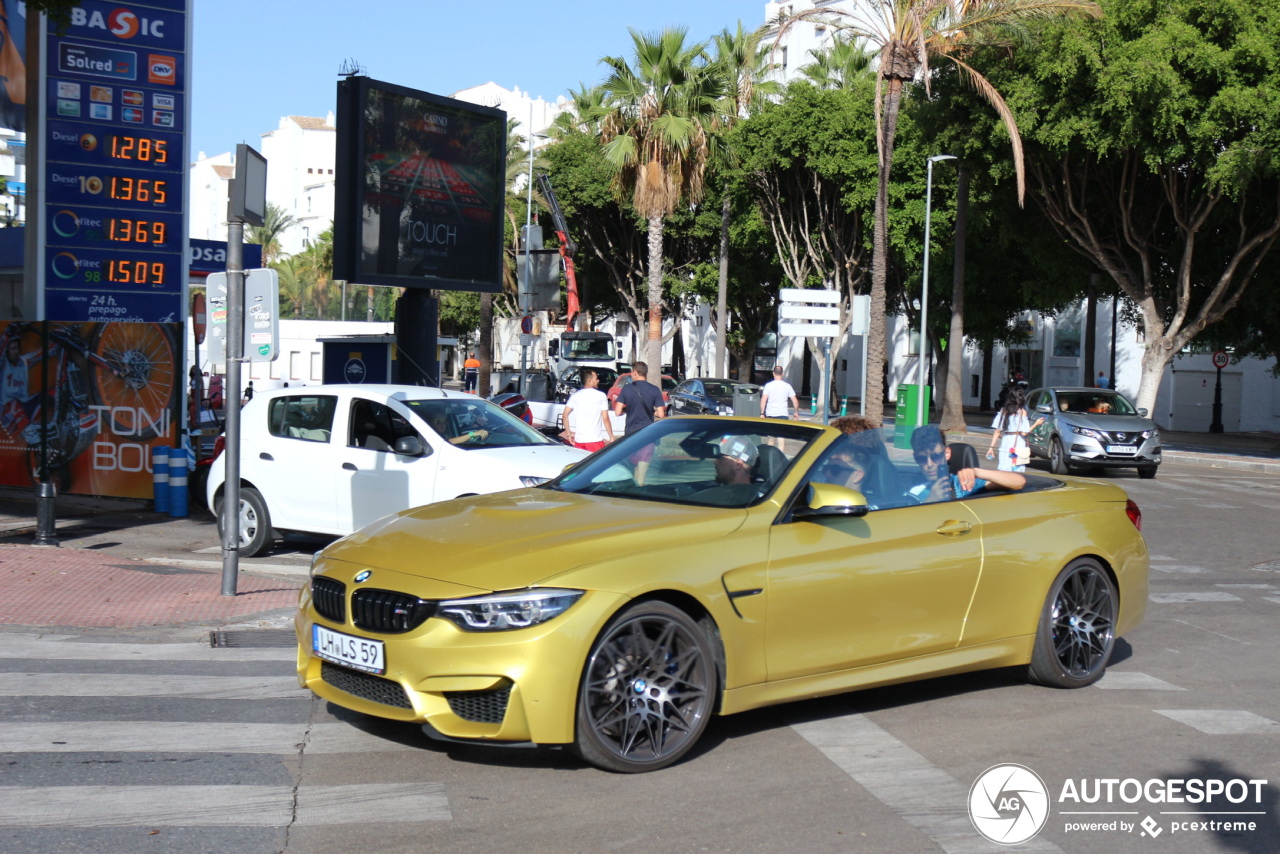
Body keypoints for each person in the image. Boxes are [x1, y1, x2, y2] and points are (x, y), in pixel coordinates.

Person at [909, 425, 1025, 504]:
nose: (930, 464)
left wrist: (976, 472)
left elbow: (1018, 482)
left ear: (947, 453)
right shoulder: (912, 490)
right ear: (915, 458)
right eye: (922, 458)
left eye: (936, 456)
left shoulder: (961, 484)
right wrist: (932, 498)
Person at [613, 361, 666, 486]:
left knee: (631, 473)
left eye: (632, 372)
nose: (631, 375)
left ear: (635, 373)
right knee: (641, 477)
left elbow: (617, 412)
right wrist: (651, 412)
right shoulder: (654, 390)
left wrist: (628, 409)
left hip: (630, 435)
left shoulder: (626, 389)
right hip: (647, 436)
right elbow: (661, 414)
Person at [987, 386, 1044, 472]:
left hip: (1006, 442)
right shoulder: (1022, 412)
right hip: (1018, 443)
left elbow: (997, 431)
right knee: (1016, 470)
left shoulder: (1004, 411)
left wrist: (991, 447)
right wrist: (1036, 423)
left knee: (1004, 468)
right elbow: (1024, 433)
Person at [562, 368, 614, 452]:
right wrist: (611, 437)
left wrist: (569, 434)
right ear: (589, 381)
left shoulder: (575, 396)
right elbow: (605, 418)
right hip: (594, 440)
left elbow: (565, 415)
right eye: (596, 378)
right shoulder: (601, 396)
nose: (598, 380)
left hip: (579, 441)